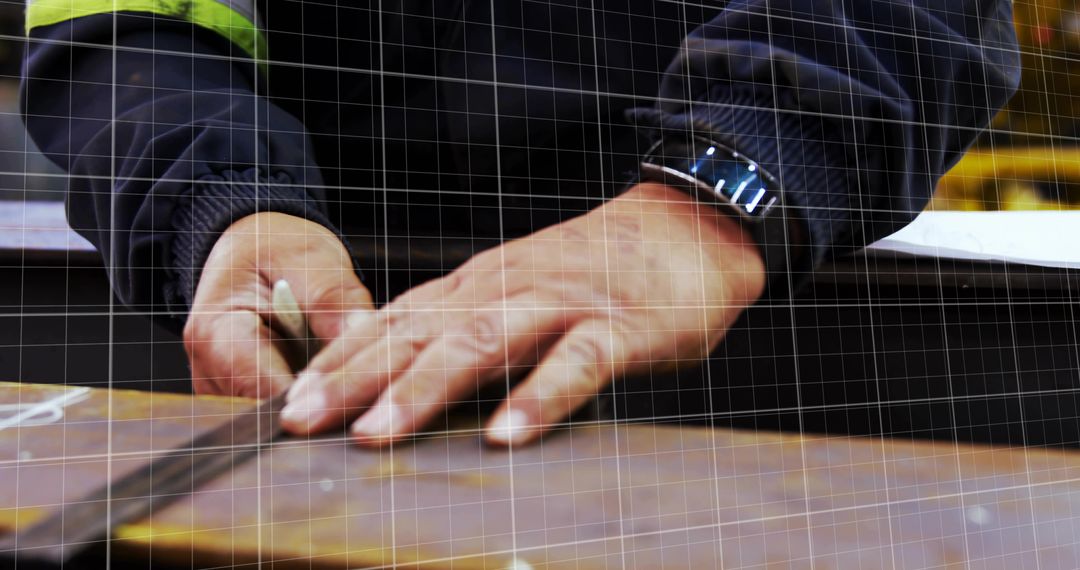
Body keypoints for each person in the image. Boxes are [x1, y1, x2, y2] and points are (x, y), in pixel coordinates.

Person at [22, 1, 1019, 446]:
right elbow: (126, 16)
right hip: (327, 338)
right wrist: (225, 202)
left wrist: (717, 195)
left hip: (736, 310)